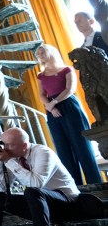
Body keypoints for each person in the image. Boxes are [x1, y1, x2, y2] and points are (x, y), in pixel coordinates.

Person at [35, 44, 102, 185]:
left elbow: (70, 89)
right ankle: (74, 187)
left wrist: (54, 102)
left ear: (50, 52)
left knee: (82, 146)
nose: (39, 55)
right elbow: (41, 94)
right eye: (38, 53)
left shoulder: (66, 69)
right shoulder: (40, 76)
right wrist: (50, 107)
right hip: (52, 111)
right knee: (63, 149)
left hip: (70, 107)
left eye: (42, 52)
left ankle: (96, 185)